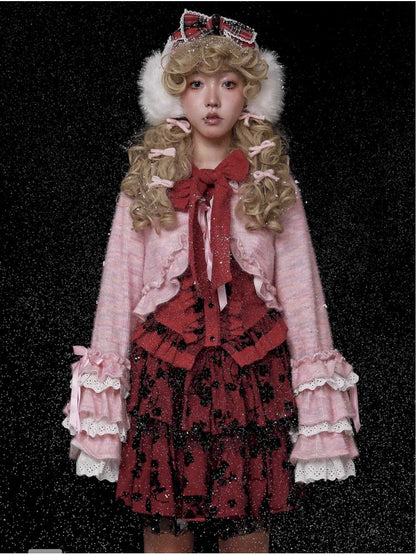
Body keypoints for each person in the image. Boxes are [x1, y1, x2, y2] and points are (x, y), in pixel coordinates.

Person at [62, 10, 361, 553]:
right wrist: (106, 392)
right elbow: (119, 287)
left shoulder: (271, 179)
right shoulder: (148, 181)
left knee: (247, 527)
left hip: (251, 379)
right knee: (165, 527)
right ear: (175, 93)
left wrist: (316, 389)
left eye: (228, 83)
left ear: (251, 93)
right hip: (167, 381)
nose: (213, 99)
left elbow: (302, 287)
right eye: (197, 84)